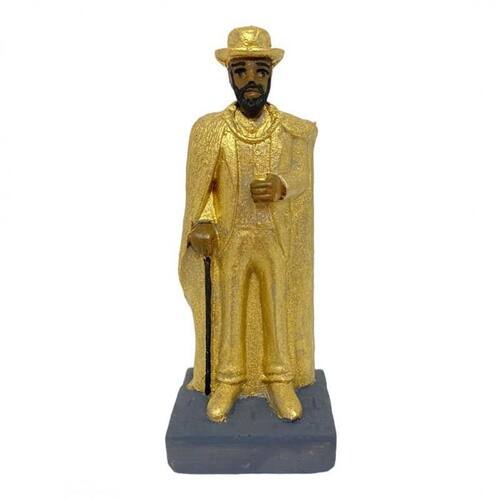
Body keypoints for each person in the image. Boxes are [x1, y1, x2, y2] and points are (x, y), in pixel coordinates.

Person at [178, 26, 317, 422]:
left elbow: (301, 174)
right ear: (229, 76)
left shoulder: (289, 131)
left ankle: (279, 379)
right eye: (241, 71)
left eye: (260, 71)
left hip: (274, 237)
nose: (251, 80)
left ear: (272, 74)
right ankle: (229, 380)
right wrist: (204, 222)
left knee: (276, 304)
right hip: (231, 238)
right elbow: (203, 189)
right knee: (231, 307)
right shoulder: (212, 132)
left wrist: (282, 185)